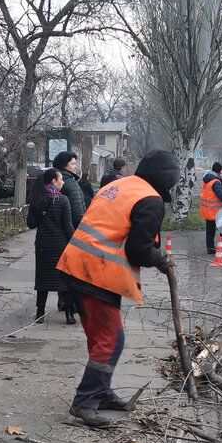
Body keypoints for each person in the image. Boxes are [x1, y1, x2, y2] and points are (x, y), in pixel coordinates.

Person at [57, 149, 179, 427]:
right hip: (94, 272)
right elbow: (138, 250)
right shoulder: (150, 199)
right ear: (167, 179)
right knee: (111, 340)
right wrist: (161, 259)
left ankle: (102, 392)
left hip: (75, 263)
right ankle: (85, 402)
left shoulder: (119, 186)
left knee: (99, 338)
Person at [27, 168, 77, 324]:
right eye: (61, 179)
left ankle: (40, 313)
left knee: (43, 280)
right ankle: (69, 315)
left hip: (43, 246)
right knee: (66, 281)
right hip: (61, 246)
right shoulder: (63, 200)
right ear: (54, 182)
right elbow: (68, 227)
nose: (63, 182)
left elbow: (31, 224)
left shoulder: (37, 200)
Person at [52, 151, 86, 228]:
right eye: (72, 164)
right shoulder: (71, 183)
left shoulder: (52, 180)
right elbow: (77, 212)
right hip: (70, 229)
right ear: (64, 165)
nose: (76, 167)